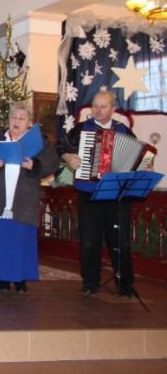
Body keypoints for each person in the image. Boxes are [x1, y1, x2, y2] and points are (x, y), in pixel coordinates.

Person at [57, 89, 138, 296]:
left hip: (117, 195)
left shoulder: (123, 131)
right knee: (90, 240)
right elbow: (59, 146)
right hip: (89, 192)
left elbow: (139, 156)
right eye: (95, 106)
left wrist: (145, 164)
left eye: (103, 107)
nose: (98, 111)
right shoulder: (81, 129)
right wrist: (68, 157)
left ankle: (125, 284)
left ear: (113, 109)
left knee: (119, 240)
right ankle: (90, 282)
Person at [0, 103, 58, 293]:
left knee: (21, 239)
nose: (16, 121)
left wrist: (34, 165)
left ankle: (21, 279)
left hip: (24, 198)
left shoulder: (40, 142)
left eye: (21, 118)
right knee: (2, 238)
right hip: (1, 196)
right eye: (13, 117)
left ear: (29, 123)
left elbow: (52, 163)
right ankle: (3, 278)